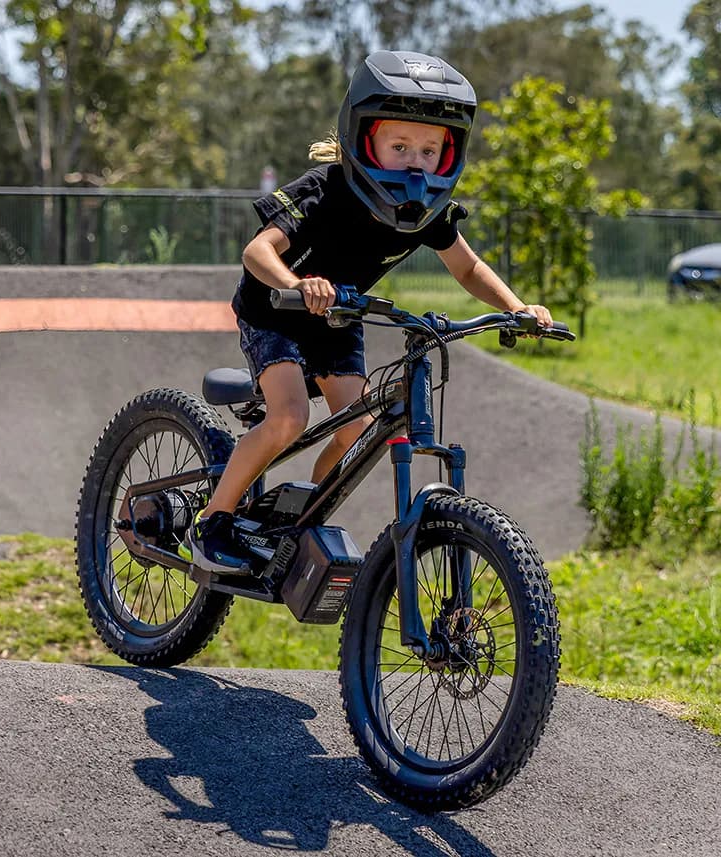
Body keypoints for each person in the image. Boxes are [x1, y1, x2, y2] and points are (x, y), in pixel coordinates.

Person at [185, 50, 554, 572]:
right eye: (399, 145)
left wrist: (517, 308)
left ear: (448, 156)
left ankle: (296, 515)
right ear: (365, 140)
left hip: (340, 315)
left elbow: (468, 270)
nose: (414, 161)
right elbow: (256, 253)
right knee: (289, 416)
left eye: (429, 150)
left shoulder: (426, 214)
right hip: (276, 308)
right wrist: (297, 283)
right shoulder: (324, 189)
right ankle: (213, 523)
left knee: (355, 428)